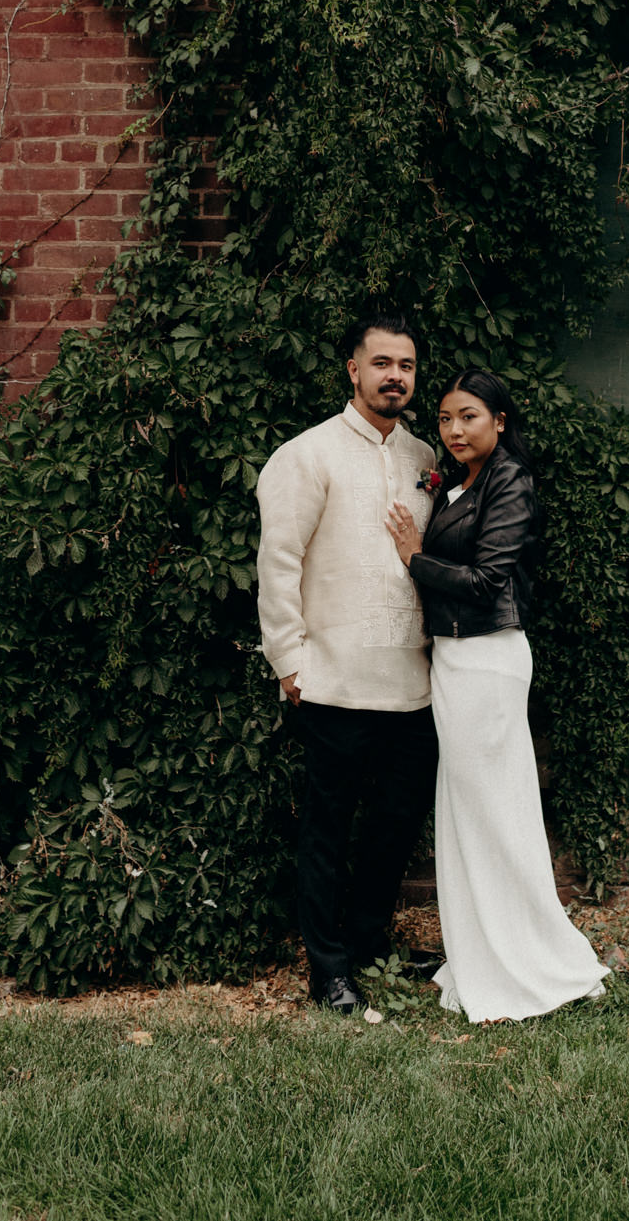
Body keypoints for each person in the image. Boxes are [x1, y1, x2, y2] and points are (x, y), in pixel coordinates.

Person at [386, 369, 608, 1023]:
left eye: (469, 416)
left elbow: (485, 579)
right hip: (458, 658)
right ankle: (483, 948)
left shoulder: (510, 480)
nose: (454, 429)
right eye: (446, 418)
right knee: (468, 811)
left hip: (487, 658)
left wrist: (413, 557)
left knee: (494, 813)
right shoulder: (464, 481)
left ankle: (528, 959)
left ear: (500, 420)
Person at [256, 313, 440, 1013]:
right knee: (328, 832)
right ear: (353, 371)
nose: (396, 375)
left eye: (408, 365)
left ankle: (366, 944)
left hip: (412, 683)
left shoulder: (426, 455)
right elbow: (279, 561)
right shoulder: (307, 454)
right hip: (331, 680)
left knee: (394, 828)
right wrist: (289, 659)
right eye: (383, 362)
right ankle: (327, 969)